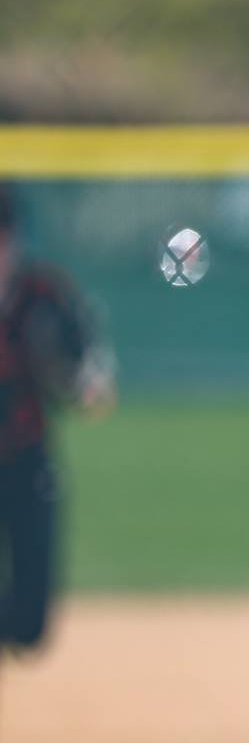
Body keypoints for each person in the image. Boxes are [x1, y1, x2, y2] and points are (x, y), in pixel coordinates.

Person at [0, 184, 115, 653]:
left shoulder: (44, 292)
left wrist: (88, 384)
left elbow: (88, 362)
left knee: (30, 627)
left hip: (26, 457)